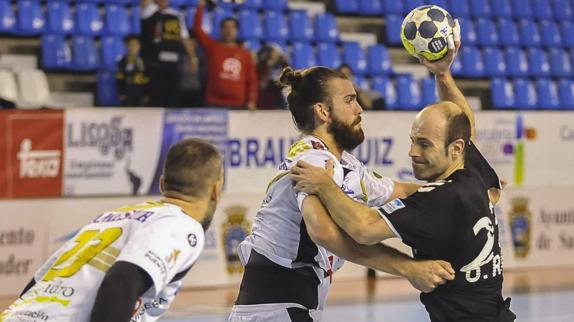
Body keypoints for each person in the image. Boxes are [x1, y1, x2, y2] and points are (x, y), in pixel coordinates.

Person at [289, 36, 516, 321]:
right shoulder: (473, 179)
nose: (412, 152)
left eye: (424, 144)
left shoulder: (439, 199)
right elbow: (463, 124)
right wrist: (442, 74)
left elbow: (363, 228)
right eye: (413, 141)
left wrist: (324, 185)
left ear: (455, 148)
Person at [228, 66, 455, 322]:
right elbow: (323, 231)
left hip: (291, 304)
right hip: (275, 305)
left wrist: (461, 190)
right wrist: (409, 268)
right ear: (323, 111)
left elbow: (400, 190)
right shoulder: (313, 159)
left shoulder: (345, 164)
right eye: (349, 100)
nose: (359, 109)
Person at [1, 138, 224, 322]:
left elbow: (36, 283)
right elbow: (121, 281)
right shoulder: (182, 225)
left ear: (163, 184)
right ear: (216, 189)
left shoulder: (111, 218)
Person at [193, 0, 258, 110]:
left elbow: (252, 80)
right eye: (226, 27)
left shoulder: (245, 54)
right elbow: (197, 30)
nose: (229, 30)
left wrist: (252, 100)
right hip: (214, 103)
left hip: (238, 105)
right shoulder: (212, 47)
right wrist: (200, 7)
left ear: (237, 31)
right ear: (221, 30)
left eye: (232, 27)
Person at [140, 0, 197, 107]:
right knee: (157, 94)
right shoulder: (150, 10)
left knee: (173, 93)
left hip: (174, 61)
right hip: (154, 62)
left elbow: (184, 38)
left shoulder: (176, 15)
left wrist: (193, 58)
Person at [116, 35, 148, 107]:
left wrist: (147, 93)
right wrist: (121, 93)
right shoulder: (122, 61)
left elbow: (147, 77)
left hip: (140, 92)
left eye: (135, 44)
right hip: (128, 93)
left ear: (139, 46)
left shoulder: (144, 60)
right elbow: (120, 78)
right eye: (130, 44)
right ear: (126, 46)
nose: (133, 47)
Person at [256, 43, 288, 109]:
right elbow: (262, 85)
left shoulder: (284, 67)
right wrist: (268, 66)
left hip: (279, 100)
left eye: (275, 54)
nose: (273, 56)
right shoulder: (262, 68)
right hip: (266, 102)